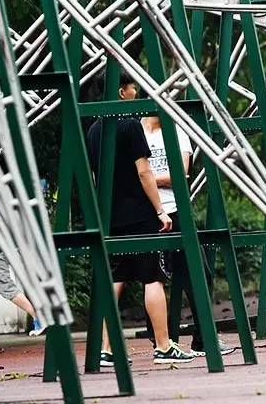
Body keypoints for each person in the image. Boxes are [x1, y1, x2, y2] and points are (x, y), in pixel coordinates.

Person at [86, 73, 196, 366]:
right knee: (153, 277)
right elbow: (144, 172)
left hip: (112, 215)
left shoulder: (94, 128)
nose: (137, 92)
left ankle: (106, 348)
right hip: (139, 214)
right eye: (133, 87)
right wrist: (160, 210)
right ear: (122, 92)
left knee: (117, 277)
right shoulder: (130, 125)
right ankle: (163, 345)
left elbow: (97, 176)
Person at [141, 114, 236, 357]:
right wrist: (155, 181)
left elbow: (181, 174)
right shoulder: (135, 130)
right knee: (153, 276)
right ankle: (160, 340)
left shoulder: (176, 131)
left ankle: (203, 338)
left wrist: (148, 179)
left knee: (199, 271)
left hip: (176, 209)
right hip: (147, 212)